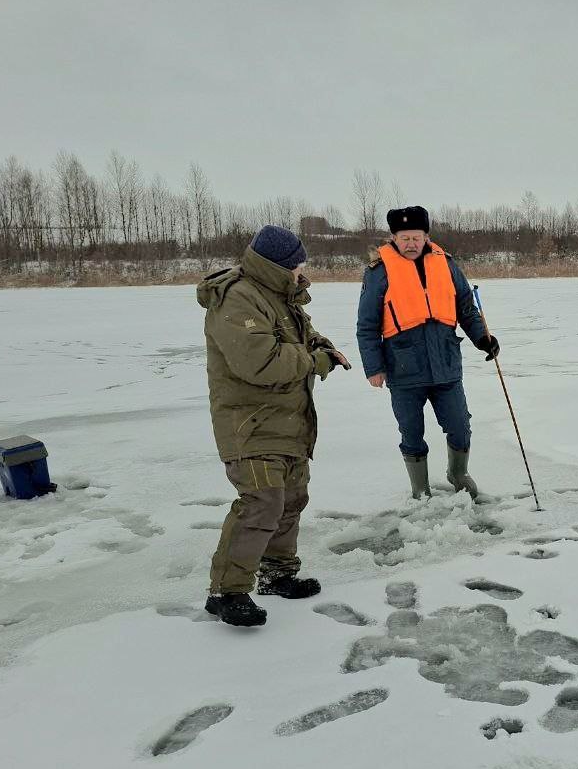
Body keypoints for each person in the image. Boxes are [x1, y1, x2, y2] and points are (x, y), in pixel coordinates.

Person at [196, 225, 350, 627]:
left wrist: (322, 346)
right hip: (250, 422)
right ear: (278, 266)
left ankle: (277, 574)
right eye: (298, 264)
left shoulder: (280, 296)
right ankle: (227, 592)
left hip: (288, 419)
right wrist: (317, 361)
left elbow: (303, 337)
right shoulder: (239, 298)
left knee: (292, 497)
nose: (303, 270)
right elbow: (261, 363)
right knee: (262, 502)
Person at [356, 206, 499, 499]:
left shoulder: (445, 264)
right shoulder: (378, 272)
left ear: (426, 236)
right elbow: (367, 325)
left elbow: (466, 308)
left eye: (416, 237)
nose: (411, 243)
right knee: (411, 433)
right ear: (393, 237)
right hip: (403, 367)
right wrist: (374, 367)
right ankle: (420, 488)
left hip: (446, 363)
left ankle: (458, 473)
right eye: (404, 237)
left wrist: (483, 338)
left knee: (460, 425)